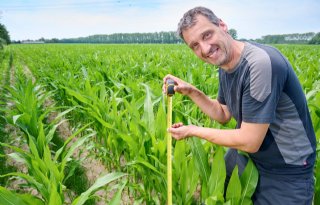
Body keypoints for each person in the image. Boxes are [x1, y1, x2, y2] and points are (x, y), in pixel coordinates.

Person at [163, 6, 316, 204]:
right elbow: (223, 113)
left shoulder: (260, 64)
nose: (205, 49)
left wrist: (192, 130)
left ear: (222, 25)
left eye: (207, 35)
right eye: (195, 45)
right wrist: (191, 91)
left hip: (285, 171)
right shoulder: (226, 65)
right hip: (248, 158)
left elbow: (249, 140)